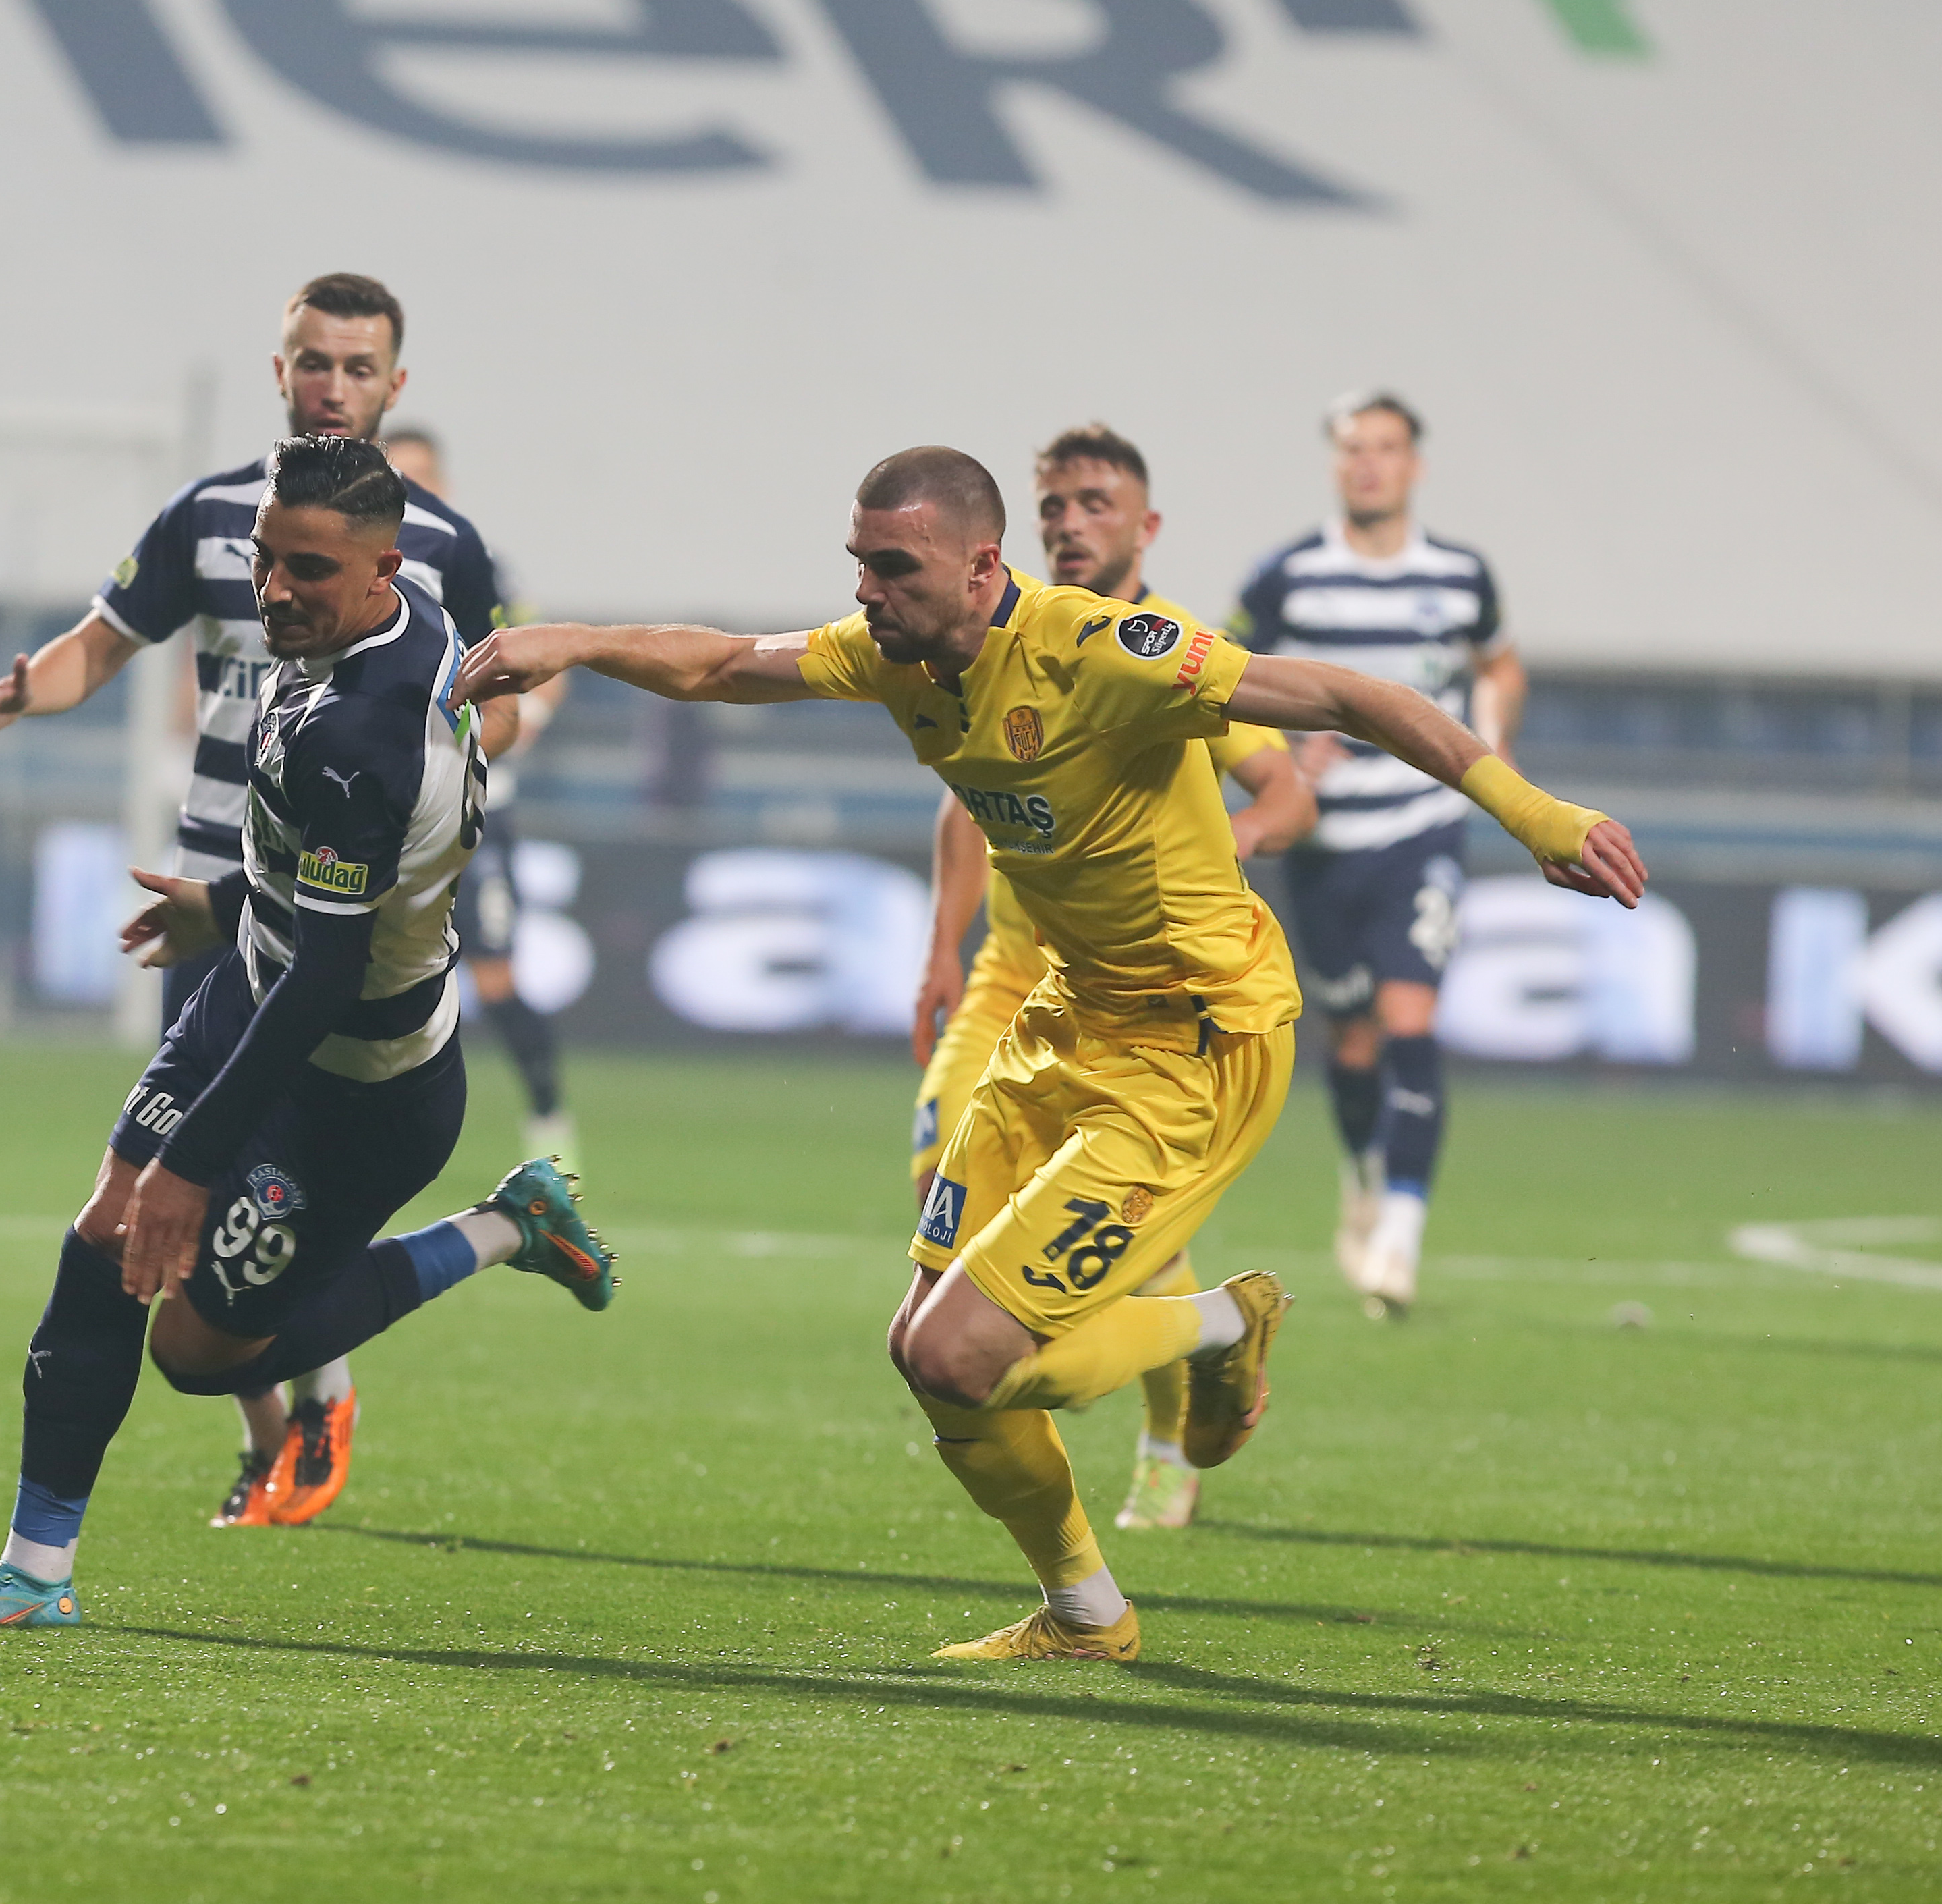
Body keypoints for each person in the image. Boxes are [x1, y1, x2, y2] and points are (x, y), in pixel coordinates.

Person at [453, 446, 1641, 1663]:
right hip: (1062, 1022)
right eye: (859, 563)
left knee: (963, 1354)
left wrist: (1537, 813)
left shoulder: (1099, 651)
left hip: (1197, 1041)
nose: (865, 590)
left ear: (982, 568)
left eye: (893, 566)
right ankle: (1087, 1614)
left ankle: (1219, 1324)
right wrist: (575, 642)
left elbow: (1345, 698)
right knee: (921, 1353)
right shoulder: (894, 656)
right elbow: (715, 664)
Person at [0, 435, 615, 1631]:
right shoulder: (358, 633)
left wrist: (194, 1160)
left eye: (308, 570)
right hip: (254, 991)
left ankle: (505, 1226)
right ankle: (33, 1573)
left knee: (198, 1353)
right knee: (105, 1236)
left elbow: (329, 975)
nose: (275, 590)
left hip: (360, 1086)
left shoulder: (366, 731)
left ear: (383, 572)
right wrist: (223, 910)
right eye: (266, 559)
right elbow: (335, 895)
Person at [0, 273, 516, 1529]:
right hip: (230, 889)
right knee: (141, 1229)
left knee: (226, 1237)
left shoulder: (438, 561)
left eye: (357, 367)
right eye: (313, 361)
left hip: (343, 914)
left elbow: (494, 700)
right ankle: (201, 1475)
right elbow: (104, 641)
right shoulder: (217, 516)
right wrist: (27, 690)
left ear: (394, 385)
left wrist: (446, 768)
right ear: (280, 371)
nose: (332, 385)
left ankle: (317, 1394)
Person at [909, 425, 1315, 1536]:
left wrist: (1221, 848)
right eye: (1054, 505)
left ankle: (1161, 1445)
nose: (1070, 524)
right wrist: (940, 945)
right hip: (1009, 981)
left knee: (1124, 1242)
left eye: (1095, 503)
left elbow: (1286, 791)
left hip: (1127, 999)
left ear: (1146, 525)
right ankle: (1046, 1433)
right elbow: (963, 801)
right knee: (937, 1200)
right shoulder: (1000, 631)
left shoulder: (1164, 653)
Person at [1227, 392, 1526, 1320]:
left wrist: (1490, 746)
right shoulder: (1288, 576)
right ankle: (1361, 1170)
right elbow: (1213, 677)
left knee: (1408, 1018)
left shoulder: (1460, 575)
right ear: (1335, 463)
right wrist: (1280, 757)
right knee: (1351, 1040)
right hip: (1323, 842)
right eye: (1353, 448)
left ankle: (1399, 1233)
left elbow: (1499, 662)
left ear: (1413, 465)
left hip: (1420, 828)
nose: (1368, 463)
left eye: (1385, 448)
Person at [383, 425, 573, 1153]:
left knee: (494, 977)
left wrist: (522, 723)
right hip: (387, 808)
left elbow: (546, 660)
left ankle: (549, 1123)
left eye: (423, 477)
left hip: (476, 808)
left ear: (446, 485)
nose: (412, 491)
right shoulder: (360, 569)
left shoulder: (476, 564)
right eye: (398, 477)